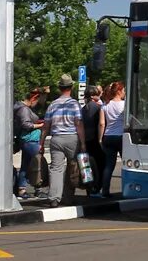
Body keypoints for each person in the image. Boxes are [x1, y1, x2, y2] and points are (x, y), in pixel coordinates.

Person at [40, 75, 85, 206]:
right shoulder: (74, 104)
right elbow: (79, 124)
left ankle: (54, 198)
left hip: (56, 139)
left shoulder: (53, 105)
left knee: (56, 168)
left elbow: (45, 126)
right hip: (72, 139)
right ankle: (68, 197)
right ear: (71, 87)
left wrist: (41, 143)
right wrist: (83, 143)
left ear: (60, 88)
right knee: (73, 168)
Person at [12, 88, 44, 199]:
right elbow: (26, 125)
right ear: (33, 98)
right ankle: (38, 188)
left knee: (25, 165)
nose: (36, 104)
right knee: (37, 163)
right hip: (30, 140)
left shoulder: (21, 108)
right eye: (36, 101)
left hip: (26, 140)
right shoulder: (24, 109)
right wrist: (40, 125)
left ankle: (22, 189)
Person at [99, 81, 126, 198]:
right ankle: (126, 189)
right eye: (124, 90)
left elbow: (101, 124)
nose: (125, 92)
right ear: (119, 91)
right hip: (121, 137)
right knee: (126, 165)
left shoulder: (105, 106)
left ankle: (105, 191)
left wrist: (100, 139)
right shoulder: (125, 105)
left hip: (108, 137)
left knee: (109, 166)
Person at [81, 86, 105, 196]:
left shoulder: (82, 109)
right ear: (92, 96)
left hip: (85, 140)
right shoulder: (99, 108)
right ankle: (97, 187)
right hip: (95, 139)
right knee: (99, 164)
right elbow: (101, 123)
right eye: (97, 94)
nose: (99, 96)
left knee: (86, 165)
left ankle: (88, 188)